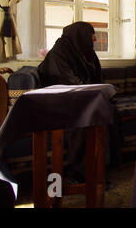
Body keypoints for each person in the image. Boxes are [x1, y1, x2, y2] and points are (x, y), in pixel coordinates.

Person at [38, 22, 118, 186]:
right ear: (80, 35)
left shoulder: (86, 52)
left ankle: (99, 169)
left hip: (82, 97)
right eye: (91, 35)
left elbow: (97, 78)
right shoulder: (60, 51)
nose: (94, 39)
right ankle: (79, 172)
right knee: (84, 123)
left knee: (107, 112)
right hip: (60, 101)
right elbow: (68, 80)